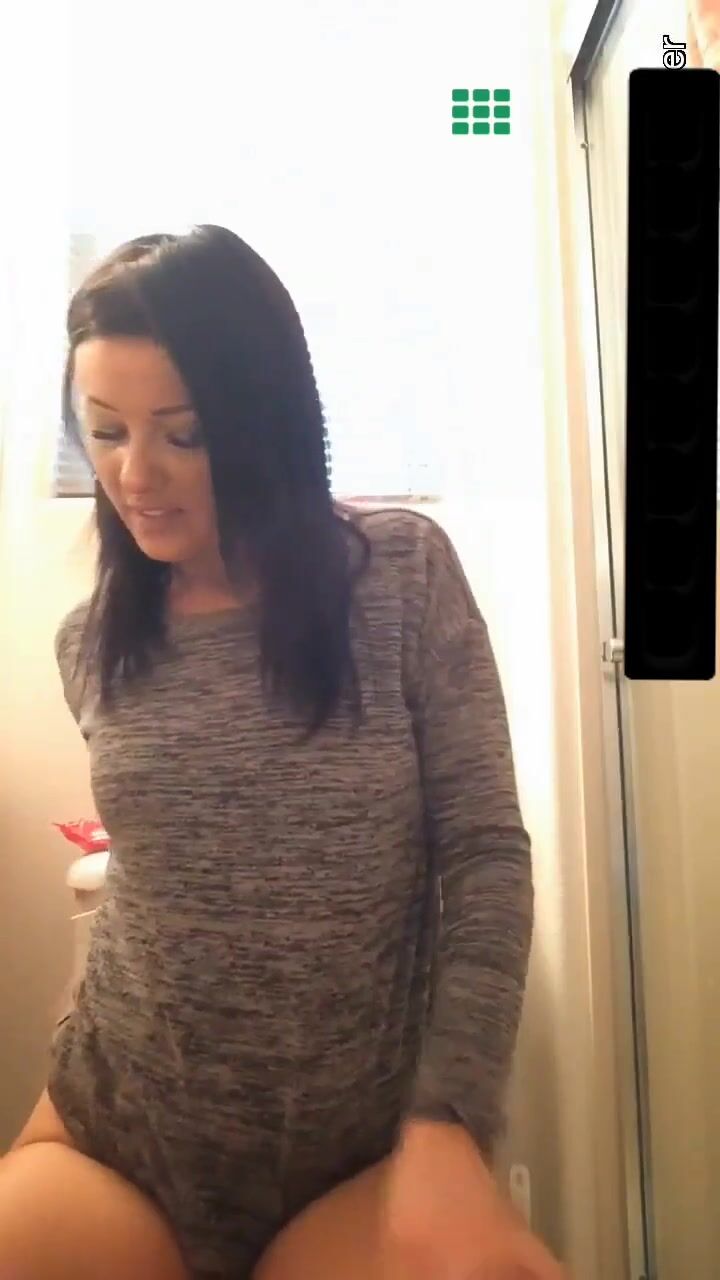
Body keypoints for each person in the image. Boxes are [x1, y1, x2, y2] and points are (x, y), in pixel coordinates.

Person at [0, 225, 564, 1280]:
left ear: (265, 422)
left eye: (184, 434)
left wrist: (450, 1118)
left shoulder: (400, 577)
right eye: (105, 430)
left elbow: (486, 855)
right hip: (118, 1136)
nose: (135, 473)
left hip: (355, 1153)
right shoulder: (93, 641)